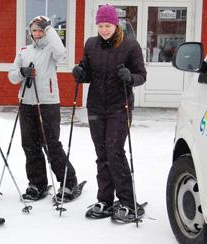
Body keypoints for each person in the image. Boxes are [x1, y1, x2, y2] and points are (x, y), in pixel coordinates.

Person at [72, 5, 147, 222]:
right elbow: (86, 73)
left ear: (116, 25)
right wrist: (80, 73)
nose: (104, 29)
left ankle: (127, 202)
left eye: (108, 25)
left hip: (119, 106)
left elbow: (142, 75)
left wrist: (130, 77)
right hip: (96, 106)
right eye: (101, 25)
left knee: (115, 151)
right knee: (101, 153)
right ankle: (104, 199)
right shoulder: (91, 44)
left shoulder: (130, 45)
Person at [8, 16, 79, 201]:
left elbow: (62, 52)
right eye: (35, 30)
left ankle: (68, 182)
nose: (37, 33)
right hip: (26, 102)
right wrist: (21, 72)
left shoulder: (51, 50)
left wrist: (50, 30)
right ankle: (37, 183)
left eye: (41, 30)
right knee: (30, 145)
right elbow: (12, 76)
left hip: (47, 102)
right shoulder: (24, 51)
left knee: (51, 144)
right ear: (30, 32)